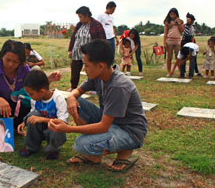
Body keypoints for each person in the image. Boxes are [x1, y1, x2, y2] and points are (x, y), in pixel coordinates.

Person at [49, 40, 147, 172]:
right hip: (111, 121)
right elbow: (77, 91)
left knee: (81, 144)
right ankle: (94, 155)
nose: (84, 69)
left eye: (86, 65)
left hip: (129, 130)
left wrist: (68, 128)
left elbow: (103, 126)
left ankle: (125, 148)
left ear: (100, 66)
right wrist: (72, 97)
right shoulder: (98, 75)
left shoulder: (118, 86)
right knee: (79, 102)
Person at [0, 40, 61, 129]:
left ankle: (17, 126)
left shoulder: (24, 69)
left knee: (32, 105)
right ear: (1, 56)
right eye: (8, 60)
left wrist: (48, 80)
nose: (10, 64)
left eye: (15, 62)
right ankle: (4, 127)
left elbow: (34, 87)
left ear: (22, 61)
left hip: (18, 102)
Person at [17, 70, 67, 160]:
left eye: (31, 94)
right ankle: (31, 147)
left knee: (56, 131)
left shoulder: (58, 98)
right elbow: (32, 114)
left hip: (54, 130)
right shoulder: (35, 99)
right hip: (40, 128)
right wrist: (24, 123)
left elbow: (63, 123)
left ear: (42, 91)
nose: (30, 96)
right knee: (33, 115)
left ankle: (53, 149)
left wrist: (42, 119)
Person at [68, 6, 106, 91]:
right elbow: (73, 38)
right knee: (74, 70)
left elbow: (102, 40)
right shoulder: (79, 25)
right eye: (79, 17)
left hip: (90, 53)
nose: (80, 19)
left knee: (91, 70)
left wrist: (100, 52)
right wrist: (70, 50)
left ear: (87, 15)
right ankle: (73, 87)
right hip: (77, 52)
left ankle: (93, 88)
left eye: (81, 16)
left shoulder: (96, 25)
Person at [163, 8, 184, 76]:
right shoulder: (167, 22)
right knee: (169, 57)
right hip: (169, 40)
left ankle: (180, 71)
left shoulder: (179, 21)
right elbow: (165, 33)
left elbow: (182, 30)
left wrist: (179, 23)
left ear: (176, 14)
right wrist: (164, 42)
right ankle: (169, 71)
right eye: (171, 14)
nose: (172, 16)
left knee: (178, 57)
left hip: (177, 40)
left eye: (174, 14)